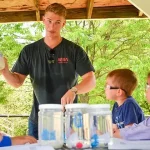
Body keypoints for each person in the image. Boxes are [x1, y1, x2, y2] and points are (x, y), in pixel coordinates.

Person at [0, 3, 96, 139]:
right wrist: (4, 71)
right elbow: (16, 82)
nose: (52, 26)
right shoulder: (29, 51)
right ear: (44, 20)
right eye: (49, 21)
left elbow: (91, 80)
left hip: (68, 120)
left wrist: (74, 90)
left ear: (63, 24)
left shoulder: (74, 50)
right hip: (38, 119)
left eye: (57, 22)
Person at [113, 72, 150, 140]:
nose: (146, 90)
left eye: (148, 86)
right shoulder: (115, 105)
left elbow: (133, 132)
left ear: (119, 91)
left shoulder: (129, 103)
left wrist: (116, 134)